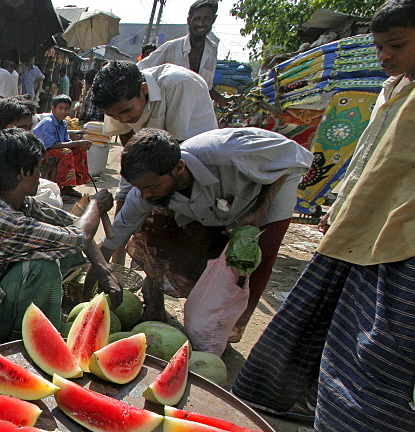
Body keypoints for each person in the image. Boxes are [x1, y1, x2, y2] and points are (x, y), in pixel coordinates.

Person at [231, 0, 415, 432]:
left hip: (401, 248)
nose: (384, 56)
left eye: (396, 45)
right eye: (380, 46)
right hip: (358, 232)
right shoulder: (395, 90)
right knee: (318, 327)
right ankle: (292, 411)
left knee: (374, 357)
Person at [99, 128, 310, 338]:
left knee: (259, 257)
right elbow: (119, 230)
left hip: (271, 185)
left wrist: (259, 211)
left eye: (151, 187)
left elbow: (293, 158)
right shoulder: (147, 189)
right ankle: (159, 307)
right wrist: (98, 268)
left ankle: (230, 328)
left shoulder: (230, 153)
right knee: (163, 229)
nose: (145, 194)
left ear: (179, 167)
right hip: (220, 202)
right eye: (140, 188)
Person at [0, 128, 119, 344]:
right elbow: (79, 236)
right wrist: (95, 206)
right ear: (22, 173)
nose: (41, 175)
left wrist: (103, 270)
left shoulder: (15, 201)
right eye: (38, 169)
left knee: (63, 251)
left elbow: (71, 225)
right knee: (43, 267)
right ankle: (23, 341)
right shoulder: (2, 219)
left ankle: (37, 322)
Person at [92, 60, 218, 262]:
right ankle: (117, 262)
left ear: (143, 89)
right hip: (147, 152)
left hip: (187, 157)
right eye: (113, 115)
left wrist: (148, 189)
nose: (122, 119)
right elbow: (128, 141)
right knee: (126, 197)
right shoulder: (117, 98)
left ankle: (153, 273)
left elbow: (174, 151)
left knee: (164, 217)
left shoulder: (178, 84)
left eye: (126, 111)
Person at [0, 96, 66, 235]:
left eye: (30, 128)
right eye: (21, 129)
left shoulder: (17, 163)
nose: (28, 134)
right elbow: (0, 222)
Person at [139, 0, 229, 104]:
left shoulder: (211, 50)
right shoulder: (172, 47)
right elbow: (140, 69)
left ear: (213, 20)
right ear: (189, 20)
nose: (201, 24)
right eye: (197, 18)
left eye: (206, 19)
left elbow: (206, 87)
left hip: (195, 112)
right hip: (168, 110)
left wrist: (223, 100)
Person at [32, 94, 91, 192]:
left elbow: (66, 141)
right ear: (53, 109)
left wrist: (79, 145)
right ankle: (62, 186)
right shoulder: (48, 122)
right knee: (66, 152)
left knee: (79, 150)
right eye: (60, 108)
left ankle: (70, 185)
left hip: (54, 152)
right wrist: (76, 143)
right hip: (41, 154)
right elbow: (51, 146)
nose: (63, 111)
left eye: (66, 108)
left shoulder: (63, 123)